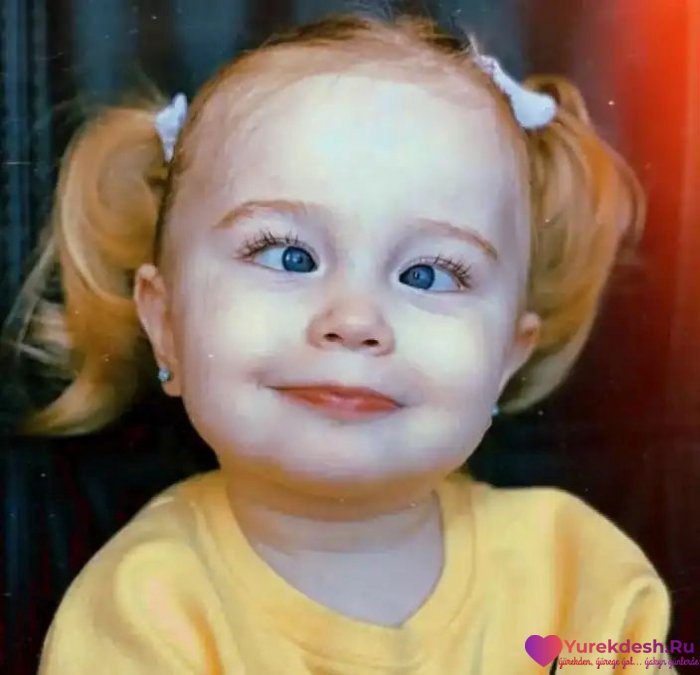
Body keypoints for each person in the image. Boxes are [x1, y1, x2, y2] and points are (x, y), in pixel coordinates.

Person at [7, 10, 675, 674]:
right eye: (289, 256)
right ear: (165, 324)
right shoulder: (147, 607)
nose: (355, 319)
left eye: (428, 273)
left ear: (508, 355)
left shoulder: (579, 574)